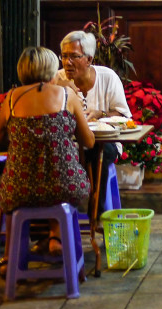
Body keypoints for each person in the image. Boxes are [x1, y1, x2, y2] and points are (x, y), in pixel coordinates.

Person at [0, 47, 94, 273]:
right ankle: (57, 236)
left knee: (14, 191)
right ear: (50, 70)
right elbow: (89, 141)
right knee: (55, 178)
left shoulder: (10, 99)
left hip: (19, 188)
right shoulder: (68, 97)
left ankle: (9, 258)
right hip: (66, 186)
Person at [53, 30, 130, 202]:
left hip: (105, 142)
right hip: (69, 144)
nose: (67, 62)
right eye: (64, 56)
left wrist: (100, 114)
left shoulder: (108, 78)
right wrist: (61, 88)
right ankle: (60, 214)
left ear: (89, 59)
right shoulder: (56, 79)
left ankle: (96, 213)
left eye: (74, 56)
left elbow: (124, 116)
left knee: (97, 150)